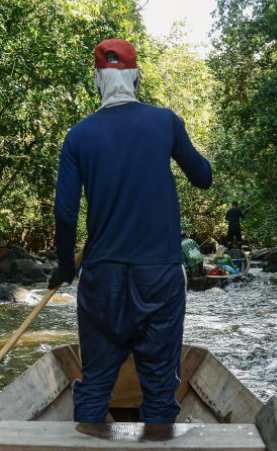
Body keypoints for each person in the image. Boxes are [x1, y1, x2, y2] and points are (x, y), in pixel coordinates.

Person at [48, 38, 212, 424]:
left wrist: (65, 267)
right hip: (159, 277)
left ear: (97, 81)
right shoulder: (166, 122)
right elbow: (203, 177)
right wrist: (173, 142)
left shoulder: (79, 135)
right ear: (136, 78)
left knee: (96, 384)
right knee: (159, 389)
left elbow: (65, 214)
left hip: (102, 278)